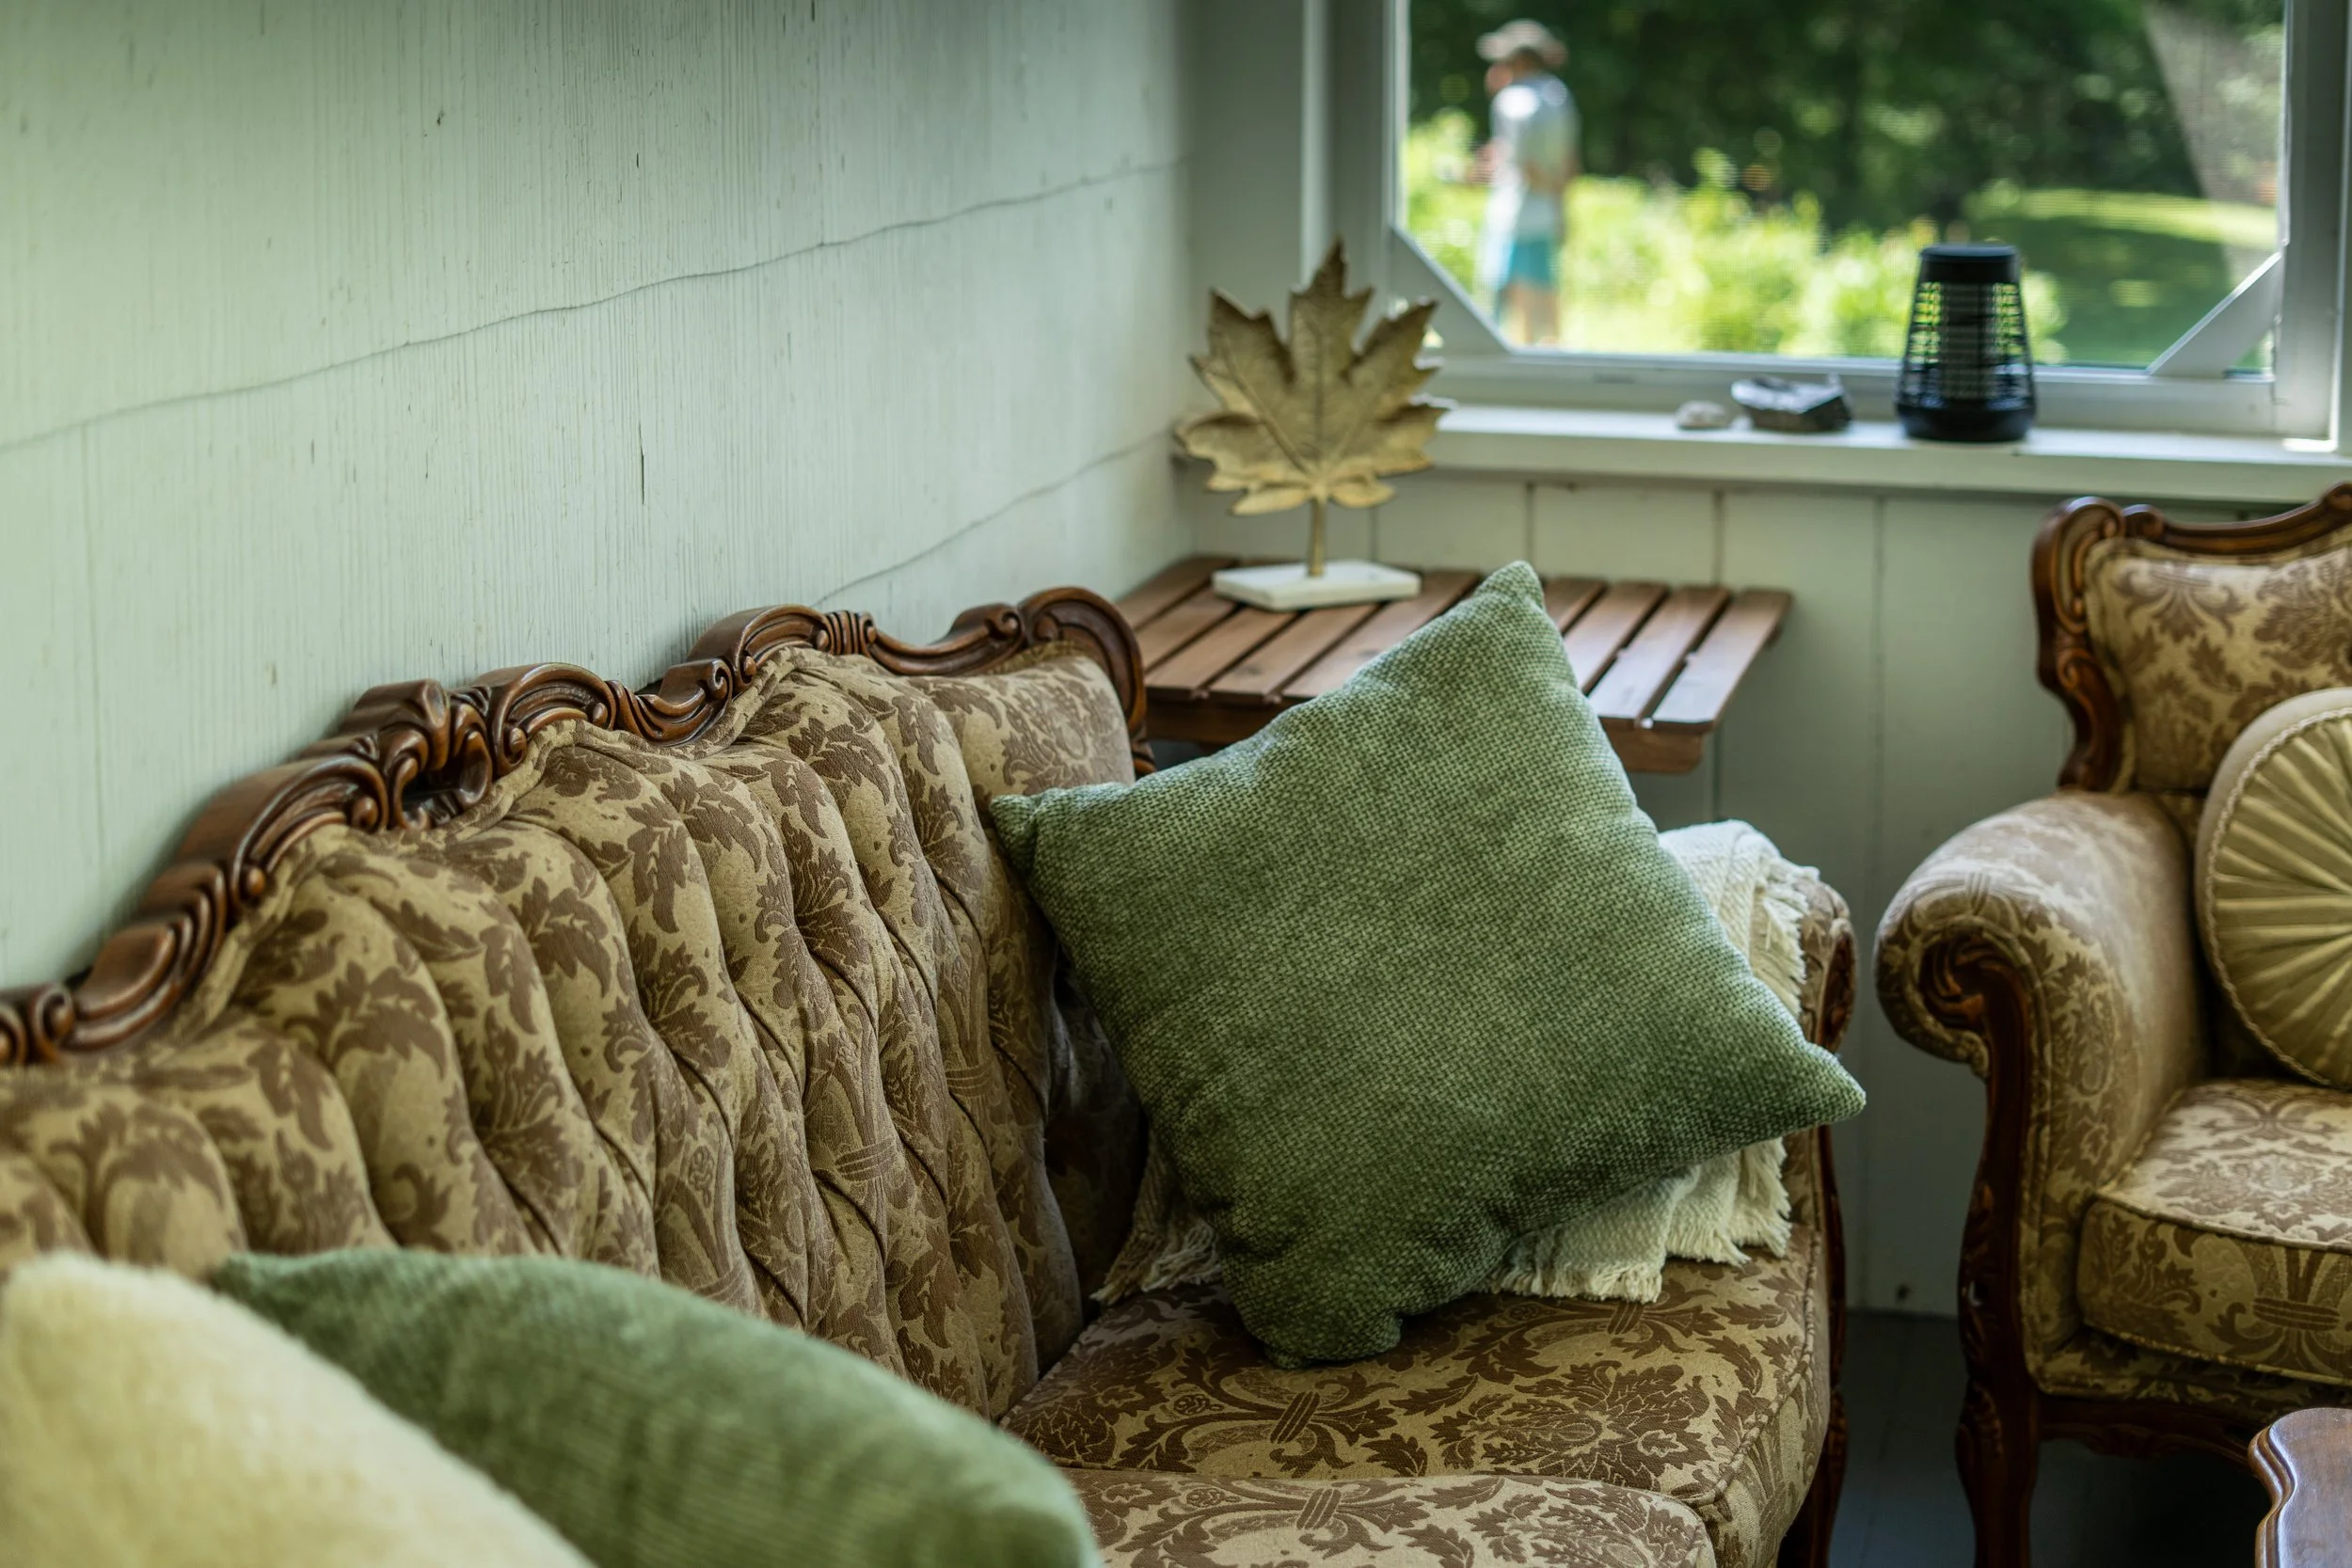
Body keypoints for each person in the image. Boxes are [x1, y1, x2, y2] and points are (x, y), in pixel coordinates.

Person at [1472, 20, 1578, 346]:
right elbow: (1569, 163)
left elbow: (1524, 164)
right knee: (1545, 299)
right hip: (1546, 211)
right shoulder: (1558, 95)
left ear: (1517, 62)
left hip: (1515, 214)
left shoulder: (1513, 102)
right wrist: (1560, 206)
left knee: (1511, 301)